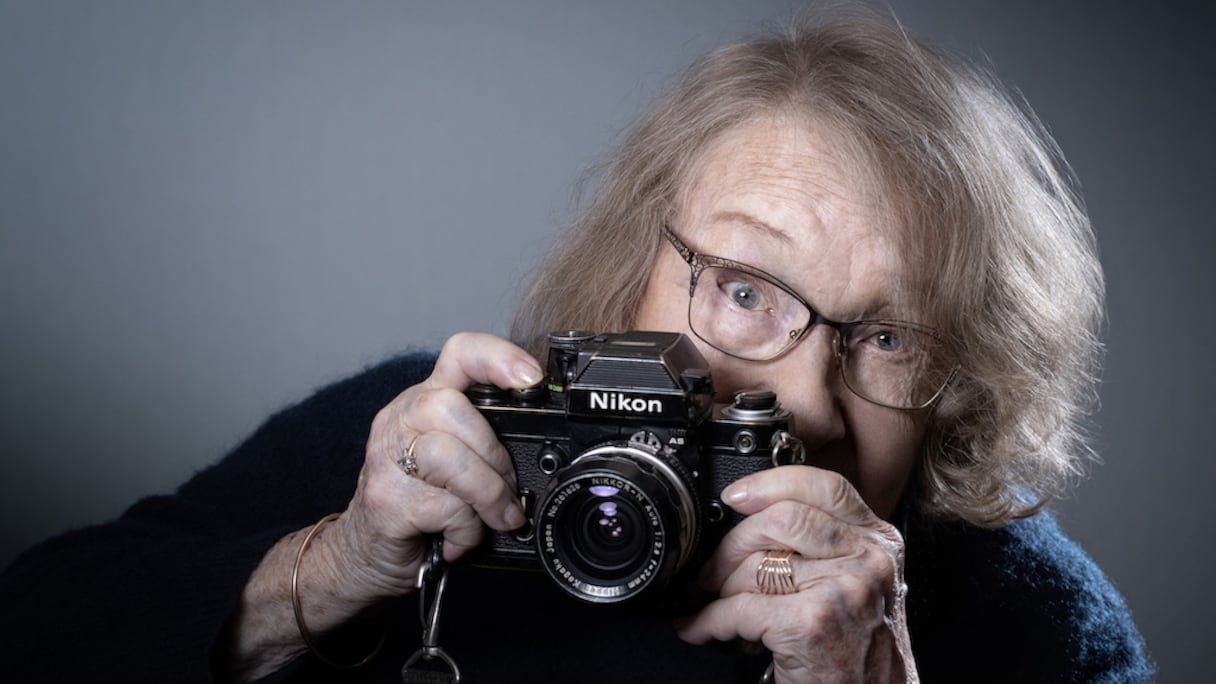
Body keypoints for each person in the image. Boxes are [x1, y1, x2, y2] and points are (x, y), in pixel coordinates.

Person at [0, 10, 1153, 684]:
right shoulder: (455, 450)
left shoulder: (1029, 615)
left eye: (890, 337)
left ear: (963, 382)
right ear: (637, 263)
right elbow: (38, 632)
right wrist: (334, 569)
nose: (802, 399)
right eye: (743, 289)